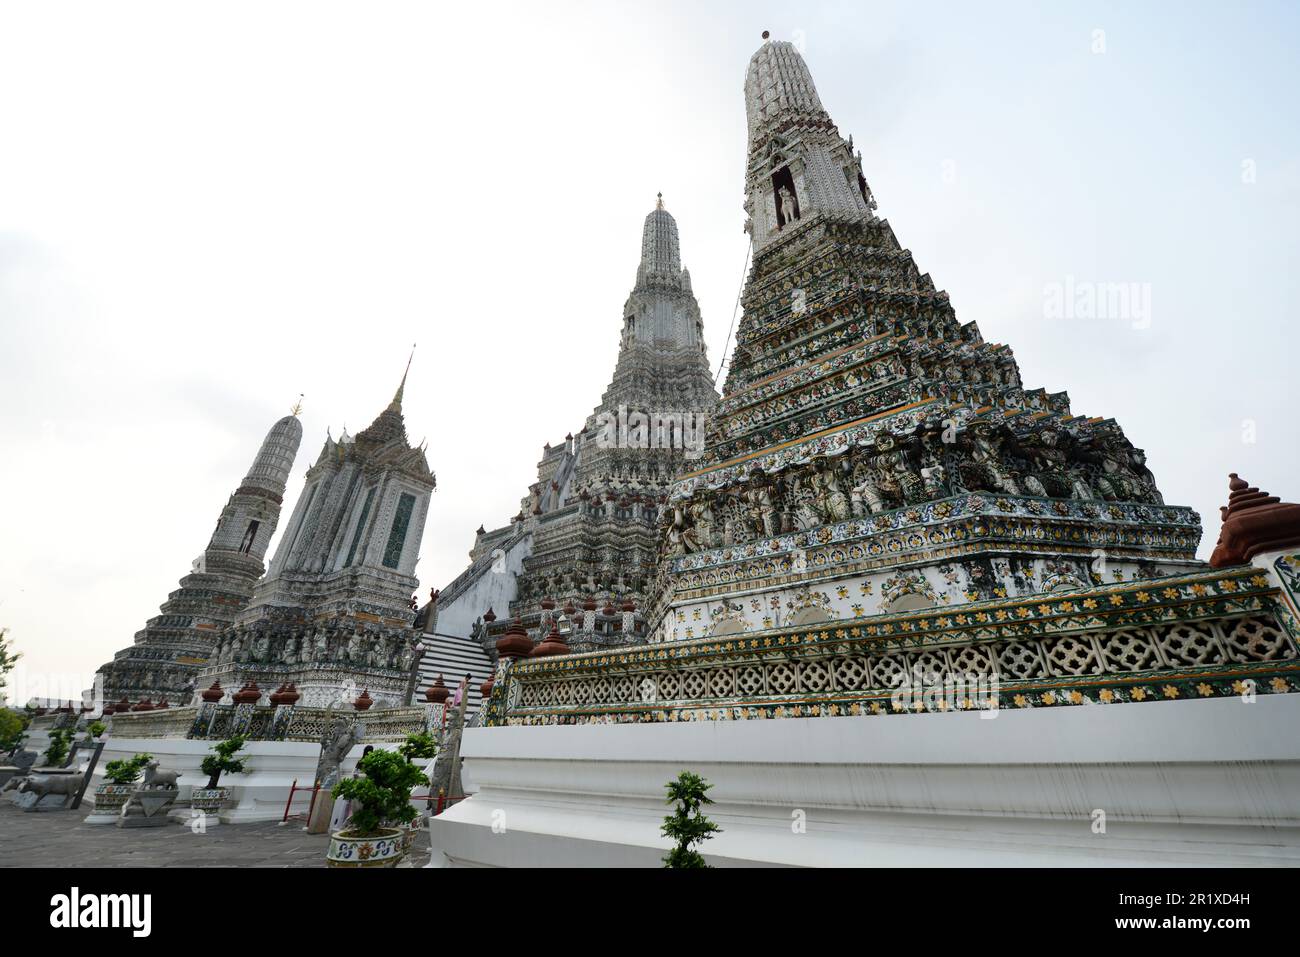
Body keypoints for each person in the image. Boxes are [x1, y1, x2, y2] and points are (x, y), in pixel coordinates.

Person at [329, 744, 374, 832]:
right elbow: (357, 775)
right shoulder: (366, 762)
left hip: (358, 787)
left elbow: (355, 775)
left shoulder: (361, 762)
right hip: (365, 788)